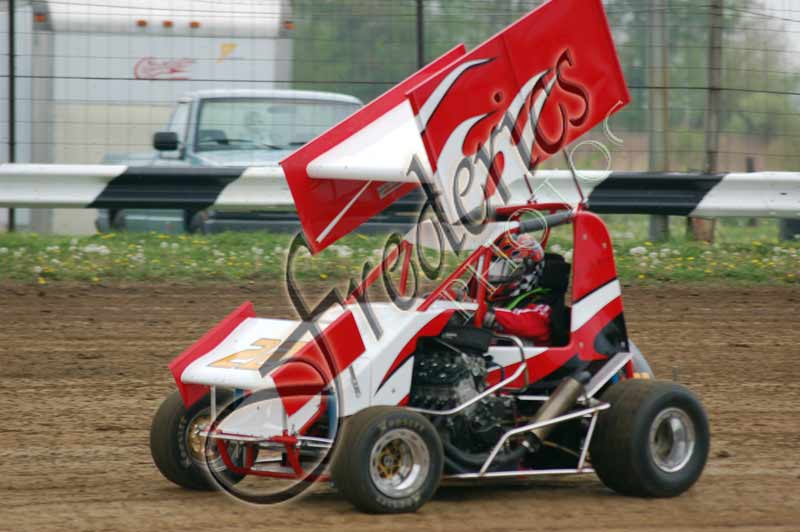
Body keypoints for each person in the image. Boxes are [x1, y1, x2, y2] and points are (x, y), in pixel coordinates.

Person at [482, 233, 553, 345]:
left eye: (507, 270)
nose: (495, 276)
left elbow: (520, 323)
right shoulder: (497, 301)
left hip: (530, 356)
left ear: (529, 272)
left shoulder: (542, 304)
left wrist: (480, 312)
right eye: (494, 269)